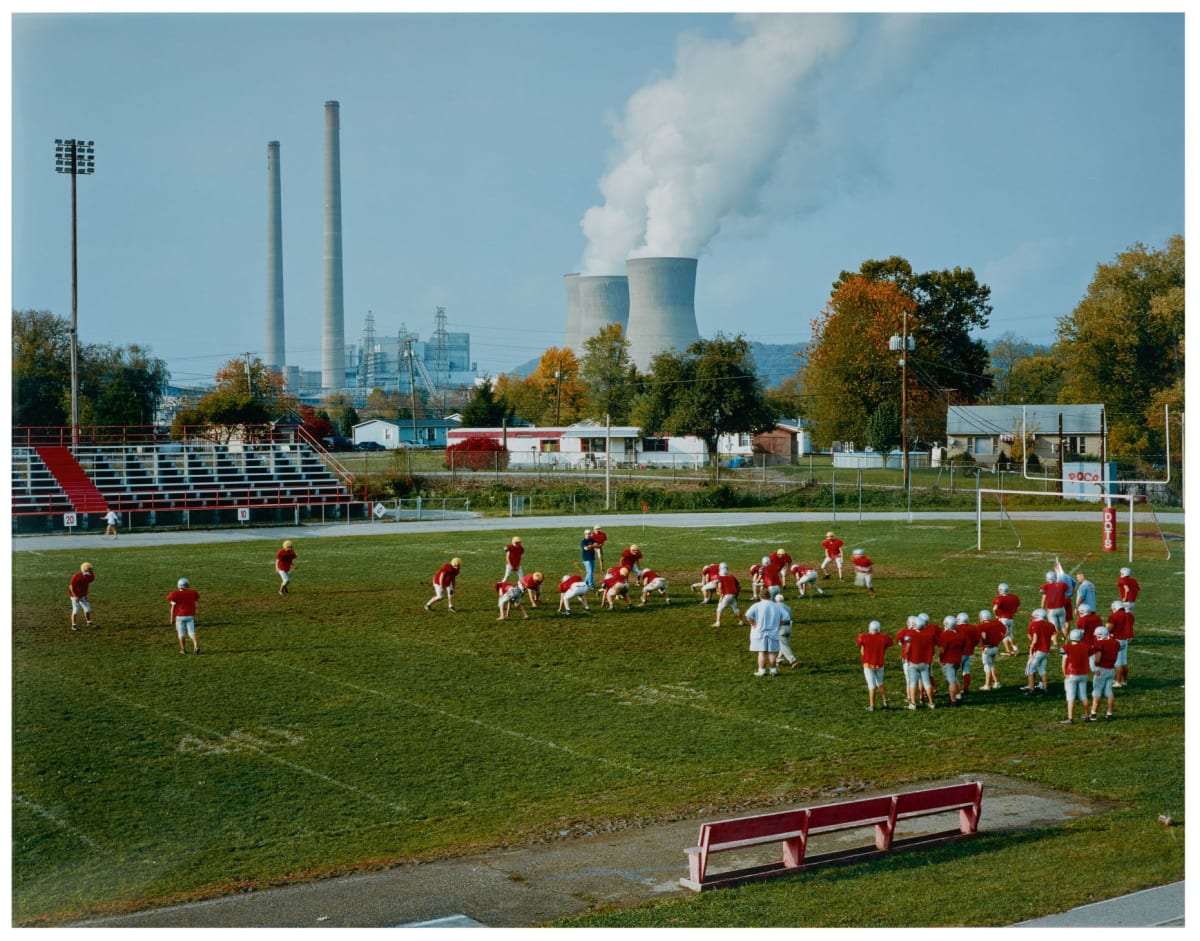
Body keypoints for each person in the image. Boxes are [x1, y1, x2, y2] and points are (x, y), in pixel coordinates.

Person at [856, 620, 894, 711]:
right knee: (880, 683)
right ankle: (885, 702)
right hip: (879, 664)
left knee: (871, 686)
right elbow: (889, 644)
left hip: (868, 665)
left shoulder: (864, 637)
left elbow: (860, 644)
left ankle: (872, 706)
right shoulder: (884, 638)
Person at [901, 615, 937, 709]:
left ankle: (913, 703)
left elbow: (907, 648)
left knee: (913, 683)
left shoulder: (911, 634)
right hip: (925, 662)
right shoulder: (929, 634)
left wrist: (906, 657)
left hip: (913, 662)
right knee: (927, 683)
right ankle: (931, 703)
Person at [745, 592, 783, 677]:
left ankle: (762, 671)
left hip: (759, 632)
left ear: (760, 596)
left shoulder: (756, 605)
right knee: (772, 652)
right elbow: (786, 618)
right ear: (770, 596)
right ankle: (773, 670)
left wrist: (753, 623)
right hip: (773, 631)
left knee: (762, 652)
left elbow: (748, 615)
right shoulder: (777, 606)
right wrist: (778, 624)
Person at [1088, 625, 1121, 721]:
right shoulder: (1115, 642)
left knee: (1097, 692)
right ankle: (1109, 713)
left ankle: (1093, 714)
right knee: (1109, 692)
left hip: (1101, 670)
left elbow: (1098, 658)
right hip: (1111, 670)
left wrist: (1095, 665)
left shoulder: (1099, 643)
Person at [1059, 628, 1092, 723]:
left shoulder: (1066, 648)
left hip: (1071, 674)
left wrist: (1065, 674)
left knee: (1071, 697)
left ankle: (1070, 718)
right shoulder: (1086, 647)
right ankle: (1087, 716)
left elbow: (1063, 664)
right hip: (1084, 674)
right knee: (1083, 695)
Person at [1023, 608, 1056, 695]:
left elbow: (1034, 639)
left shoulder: (1035, 624)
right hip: (1046, 651)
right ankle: (1045, 688)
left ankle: (1031, 689)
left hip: (1037, 650)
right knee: (1042, 670)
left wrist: (1031, 648)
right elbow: (1054, 635)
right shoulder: (1050, 625)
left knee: (1029, 670)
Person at [936, 616, 966, 706]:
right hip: (958, 659)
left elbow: (942, 650)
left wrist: (940, 658)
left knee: (951, 681)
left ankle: (953, 701)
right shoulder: (960, 633)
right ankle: (958, 697)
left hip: (948, 660)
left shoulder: (945, 635)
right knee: (956, 678)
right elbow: (963, 646)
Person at [167, 576, 200, 655]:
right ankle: (196, 644)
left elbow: (173, 608)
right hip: (190, 616)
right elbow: (195, 599)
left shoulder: (174, 594)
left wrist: (172, 618)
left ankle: (183, 649)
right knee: (192, 632)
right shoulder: (193, 593)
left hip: (180, 616)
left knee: (181, 633)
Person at [1107, 600, 1135, 687]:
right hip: (1124, 640)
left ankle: (1118, 682)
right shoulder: (1128, 615)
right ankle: (1124, 680)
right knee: (1124, 662)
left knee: (1117, 663)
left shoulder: (1114, 616)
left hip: (1116, 640)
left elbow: (1110, 629)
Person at [976, 609, 1006, 690]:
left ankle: (987, 685)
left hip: (987, 649)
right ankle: (997, 683)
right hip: (995, 648)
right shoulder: (997, 623)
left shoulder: (981, 626)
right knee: (992, 665)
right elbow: (1006, 632)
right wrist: (999, 639)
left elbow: (983, 637)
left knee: (987, 667)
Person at [1039, 570, 1070, 646]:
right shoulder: (1062, 584)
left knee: (1054, 627)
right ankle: (1066, 642)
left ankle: (1055, 643)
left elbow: (1042, 594)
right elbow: (1067, 590)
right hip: (1061, 609)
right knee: (1063, 626)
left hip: (1051, 610)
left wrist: (1043, 609)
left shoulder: (1045, 586)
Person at [711, 563, 746, 628]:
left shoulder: (720, 578)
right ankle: (741, 621)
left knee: (719, 608)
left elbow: (720, 586)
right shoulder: (732, 577)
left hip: (726, 595)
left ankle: (717, 622)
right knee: (736, 609)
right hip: (733, 595)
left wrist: (721, 596)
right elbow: (739, 587)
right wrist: (736, 594)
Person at [993, 583, 1022, 656]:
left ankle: (1008, 651)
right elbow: (1018, 607)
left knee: (1004, 635)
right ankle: (1015, 649)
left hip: (1003, 619)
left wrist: (996, 615)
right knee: (1010, 635)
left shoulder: (999, 598)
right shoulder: (1014, 597)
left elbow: (994, 609)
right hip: (1010, 619)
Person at [956, 611, 980, 697]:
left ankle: (956, 691)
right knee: (966, 671)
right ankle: (966, 688)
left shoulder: (957, 628)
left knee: (955, 673)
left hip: (959, 653)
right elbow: (977, 640)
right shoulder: (974, 628)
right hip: (969, 652)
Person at [69, 561, 96, 630]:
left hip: (82, 595)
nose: (91, 570)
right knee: (75, 610)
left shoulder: (90, 576)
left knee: (88, 610)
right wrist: (75, 596)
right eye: (89, 569)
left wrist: (85, 595)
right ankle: (73, 625)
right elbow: (71, 587)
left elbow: (86, 585)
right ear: (85, 570)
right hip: (75, 595)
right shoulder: (76, 576)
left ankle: (89, 622)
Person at [773, 591, 796, 668]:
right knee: (784, 644)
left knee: (783, 645)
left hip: (780, 628)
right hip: (789, 627)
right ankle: (779, 660)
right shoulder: (788, 607)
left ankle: (793, 660)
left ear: (776, 600)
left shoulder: (775, 607)